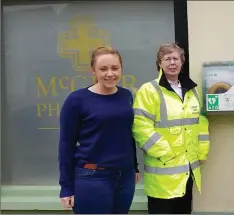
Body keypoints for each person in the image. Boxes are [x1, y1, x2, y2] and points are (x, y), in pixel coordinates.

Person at [58, 46, 140, 214]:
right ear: (93, 70)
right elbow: (66, 144)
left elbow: (127, 134)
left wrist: (134, 167)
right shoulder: (77, 100)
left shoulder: (126, 96)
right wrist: (66, 187)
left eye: (115, 68)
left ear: (121, 68)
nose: (110, 73)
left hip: (125, 177)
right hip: (92, 178)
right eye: (103, 69)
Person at [132, 43, 210, 214]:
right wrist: (165, 152)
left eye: (176, 58)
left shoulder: (192, 91)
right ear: (159, 63)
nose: (172, 63)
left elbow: (201, 123)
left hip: (188, 170)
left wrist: (202, 151)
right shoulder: (149, 90)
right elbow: (140, 126)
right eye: (167, 59)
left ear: (182, 62)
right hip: (162, 172)